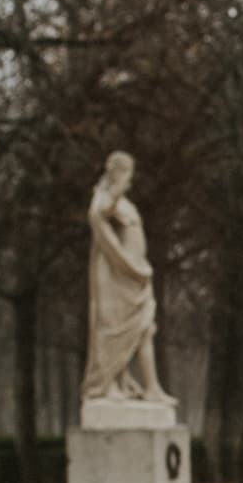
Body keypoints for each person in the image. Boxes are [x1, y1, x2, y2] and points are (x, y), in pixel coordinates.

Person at [81, 151, 176, 407]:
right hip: (114, 276)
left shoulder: (124, 202)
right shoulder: (104, 197)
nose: (130, 182)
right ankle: (107, 384)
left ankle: (153, 387)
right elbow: (99, 213)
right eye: (127, 175)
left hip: (135, 277)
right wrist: (115, 190)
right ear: (117, 173)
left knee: (144, 330)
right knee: (113, 331)